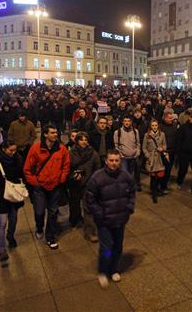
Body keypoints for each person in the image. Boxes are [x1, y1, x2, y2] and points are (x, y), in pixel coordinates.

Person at [86, 149, 136, 289]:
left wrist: (129, 208)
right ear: (106, 161)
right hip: (104, 222)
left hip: (120, 219)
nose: (114, 163)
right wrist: (99, 214)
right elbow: (90, 199)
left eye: (117, 160)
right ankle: (103, 271)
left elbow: (132, 192)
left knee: (118, 247)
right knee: (107, 248)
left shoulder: (126, 176)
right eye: (111, 160)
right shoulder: (97, 177)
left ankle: (114, 269)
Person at [23, 124, 70, 250]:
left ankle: (50, 237)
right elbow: (27, 168)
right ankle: (39, 227)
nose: (56, 134)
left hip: (55, 186)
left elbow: (66, 165)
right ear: (45, 134)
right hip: (40, 187)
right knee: (39, 211)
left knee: (53, 212)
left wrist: (62, 177)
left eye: (56, 132)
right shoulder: (36, 148)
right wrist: (34, 181)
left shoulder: (61, 149)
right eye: (53, 132)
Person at [0, 140, 25, 267]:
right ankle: (1, 250)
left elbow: (21, 175)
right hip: (0, 197)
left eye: (15, 150)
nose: (13, 153)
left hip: (13, 196)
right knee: (1, 223)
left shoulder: (17, 159)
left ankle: (10, 235)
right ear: (4, 149)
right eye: (11, 150)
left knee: (13, 220)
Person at [68, 132, 101, 242]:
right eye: (82, 139)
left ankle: (90, 232)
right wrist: (73, 175)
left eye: (86, 140)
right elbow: (67, 167)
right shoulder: (71, 152)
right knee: (74, 205)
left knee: (88, 208)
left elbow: (97, 168)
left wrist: (94, 180)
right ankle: (74, 221)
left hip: (88, 184)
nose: (84, 142)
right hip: (75, 184)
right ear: (77, 141)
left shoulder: (93, 153)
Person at [142, 119, 167, 203]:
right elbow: (144, 147)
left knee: (160, 176)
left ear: (158, 126)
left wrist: (162, 148)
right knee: (153, 177)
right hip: (151, 158)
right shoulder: (147, 135)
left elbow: (165, 145)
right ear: (150, 126)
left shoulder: (162, 134)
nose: (154, 127)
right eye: (152, 125)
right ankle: (154, 193)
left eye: (155, 125)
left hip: (160, 158)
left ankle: (157, 189)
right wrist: (148, 156)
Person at [114, 116, 141, 188]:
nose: (127, 122)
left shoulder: (135, 131)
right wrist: (120, 154)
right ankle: (124, 188)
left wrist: (137, 152)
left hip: (133, 156)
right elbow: (116, 145)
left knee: (132, 173)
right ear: (122, 122)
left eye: (128, 121)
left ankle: (130, 187)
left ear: (131, 122)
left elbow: (138, 143)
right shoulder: (117, 132)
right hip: (123, 158)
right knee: (124, 173)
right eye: (125, 121)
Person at [160, 112, 177, 193]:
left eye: (172, 118)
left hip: (172, 151)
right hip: (163, 152)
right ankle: (159, 185)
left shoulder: (174, 127)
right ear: (165, 118)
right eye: (170, 118)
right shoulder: (161, 127)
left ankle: (164, 185)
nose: (171, 119)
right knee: (161, 169)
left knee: (168, 170)